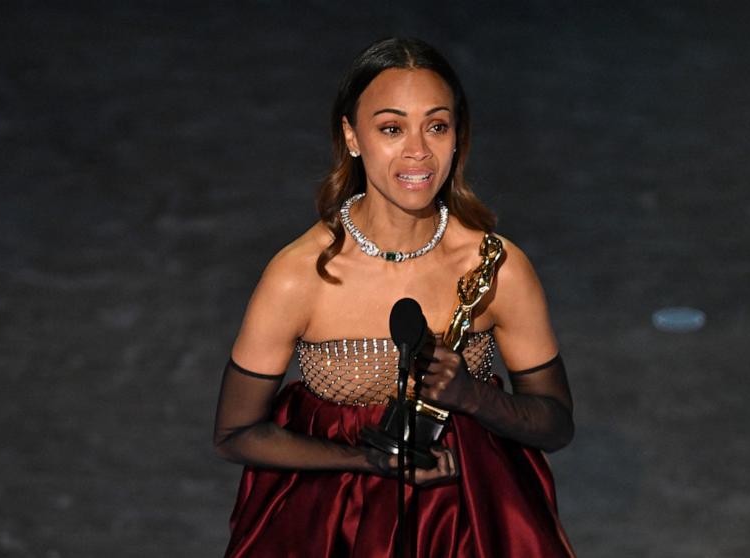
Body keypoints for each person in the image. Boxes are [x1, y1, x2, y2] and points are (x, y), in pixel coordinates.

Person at [214, 37, 576, 557]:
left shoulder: (496, 267)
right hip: (334, 528)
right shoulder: (298, 276)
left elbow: (556, 424)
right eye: (391, 128)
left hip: (469, 522)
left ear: (458, 137)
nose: (418, 151)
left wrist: (473, 397)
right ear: (352, 136)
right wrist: (368, 461)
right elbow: (235, 434)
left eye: (437, 126)